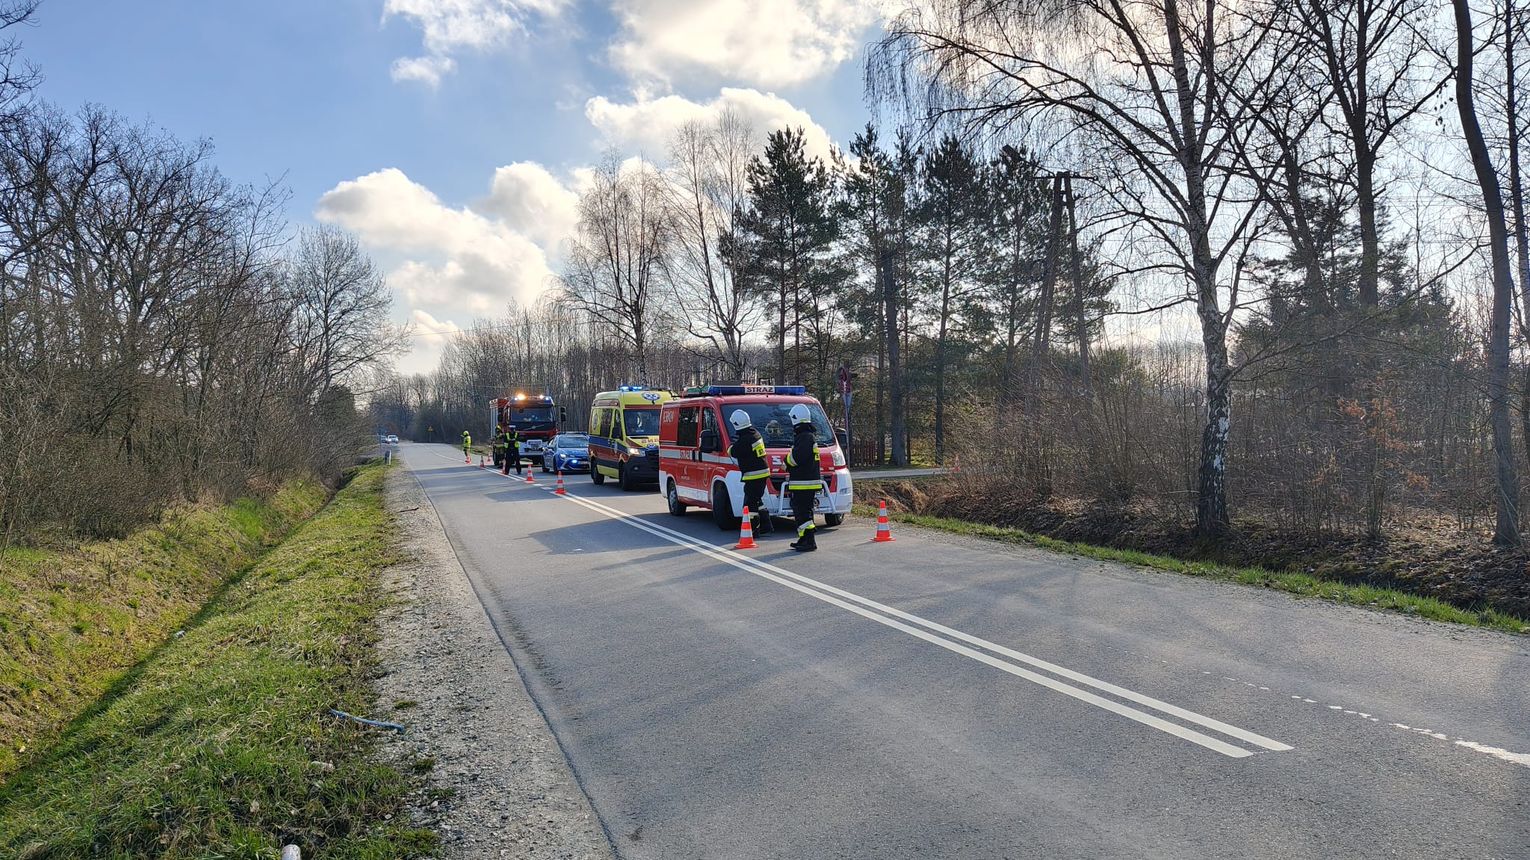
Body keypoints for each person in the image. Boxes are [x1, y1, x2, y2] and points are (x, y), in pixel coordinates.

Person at [728, 409, 772, 535]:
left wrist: (731, 446)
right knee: (757, 500)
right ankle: (766, 525)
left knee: (749, 503)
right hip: (761, 473)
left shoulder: (745, 439)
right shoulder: (755, 433)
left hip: (754, 475)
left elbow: (733, 452)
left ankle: (752, 529)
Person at [784, 403, 821, 552]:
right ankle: (804, 538)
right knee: (803, 511)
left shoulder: (805, 437)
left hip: (803, 482)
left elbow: (797, 458)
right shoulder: (808, 436)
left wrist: (786, 460)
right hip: (806, 481)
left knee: (801, 511)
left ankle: (809, 540)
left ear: (796, 419)